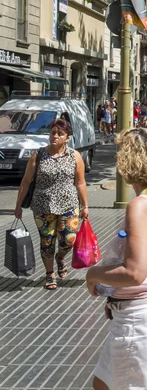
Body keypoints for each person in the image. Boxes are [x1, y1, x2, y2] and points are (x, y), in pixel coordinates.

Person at [86, 129, 147, 390]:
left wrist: (93, 274)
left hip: (139, 319)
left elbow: (135, 272)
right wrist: (115, 297)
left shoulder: (140, 206)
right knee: (103, 383)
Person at [14, 118, 89, 290]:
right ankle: (49, 274)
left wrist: (85, 206)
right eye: (53, 133)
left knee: (69, 239)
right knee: (47, 241)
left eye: (60, 134)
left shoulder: (75, 156)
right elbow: (26, 182)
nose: (55, 136)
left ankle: (60, 258)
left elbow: (81, 183)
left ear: (67, 137)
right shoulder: (38, 155)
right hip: (43, 205)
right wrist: (18, 206)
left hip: (69, 205)